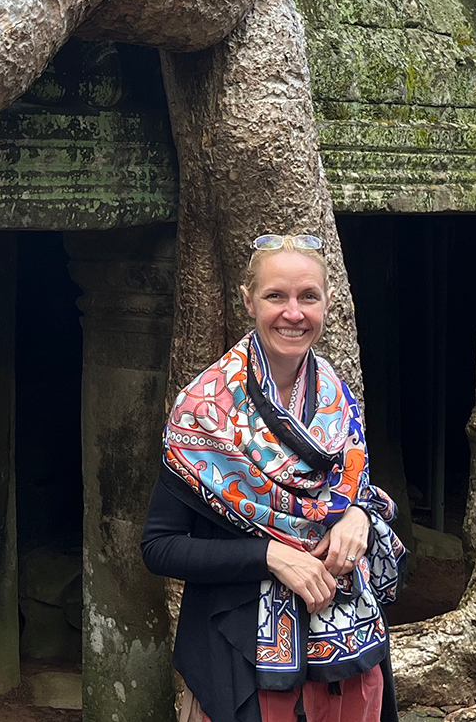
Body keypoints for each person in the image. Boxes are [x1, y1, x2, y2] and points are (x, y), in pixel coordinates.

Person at [142, 233, 404, 722]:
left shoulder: (336, 399)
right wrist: (270, 555)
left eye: (308, 296)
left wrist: (359, 519)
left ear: (328, 304)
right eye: (275, 296)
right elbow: (159, 546)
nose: (293, 312)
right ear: (248, 302)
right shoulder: (205, 411)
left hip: (349, 649)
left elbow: (356, 492)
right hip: (244, 653)